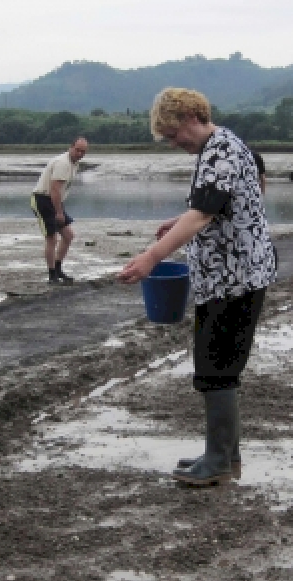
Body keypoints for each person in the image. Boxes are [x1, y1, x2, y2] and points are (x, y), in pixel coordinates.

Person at [117, 88, 276, 487]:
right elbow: (217, 204)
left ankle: (221, 461)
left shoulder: (219, 151)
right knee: (216, 366)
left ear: (191, 116)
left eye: (173, 135)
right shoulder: (222, 146)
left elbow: (204, 213)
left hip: (234, 279)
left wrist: (152, 256)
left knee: (215, 368)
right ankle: (222, 455)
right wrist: (179, 219)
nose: (174, 144)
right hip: (232, 276)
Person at [31, 137, 88, 284]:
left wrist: (59, 208)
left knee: (68, 235)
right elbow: (54, 189)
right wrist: (59, 212)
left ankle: (58, 269)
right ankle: (52, 276)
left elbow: (59, 192)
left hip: (55, 201)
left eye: (83, 151)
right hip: (43, 199)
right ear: (71, 147)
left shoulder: (73, 163)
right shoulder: (63, 163)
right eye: (78, 150)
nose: (80, 153)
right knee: (52, 238)